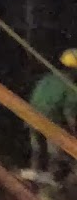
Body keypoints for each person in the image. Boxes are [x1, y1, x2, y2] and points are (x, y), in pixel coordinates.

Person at [27, 50, 77, 178]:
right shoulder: (70, 86)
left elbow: (35, 97)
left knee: (37, 148)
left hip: (30, 114)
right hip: (51, 119)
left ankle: (34, 172)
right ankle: (52, 177)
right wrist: (74, 134)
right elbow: (69, 113)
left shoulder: (47, 79)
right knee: (55, 152)